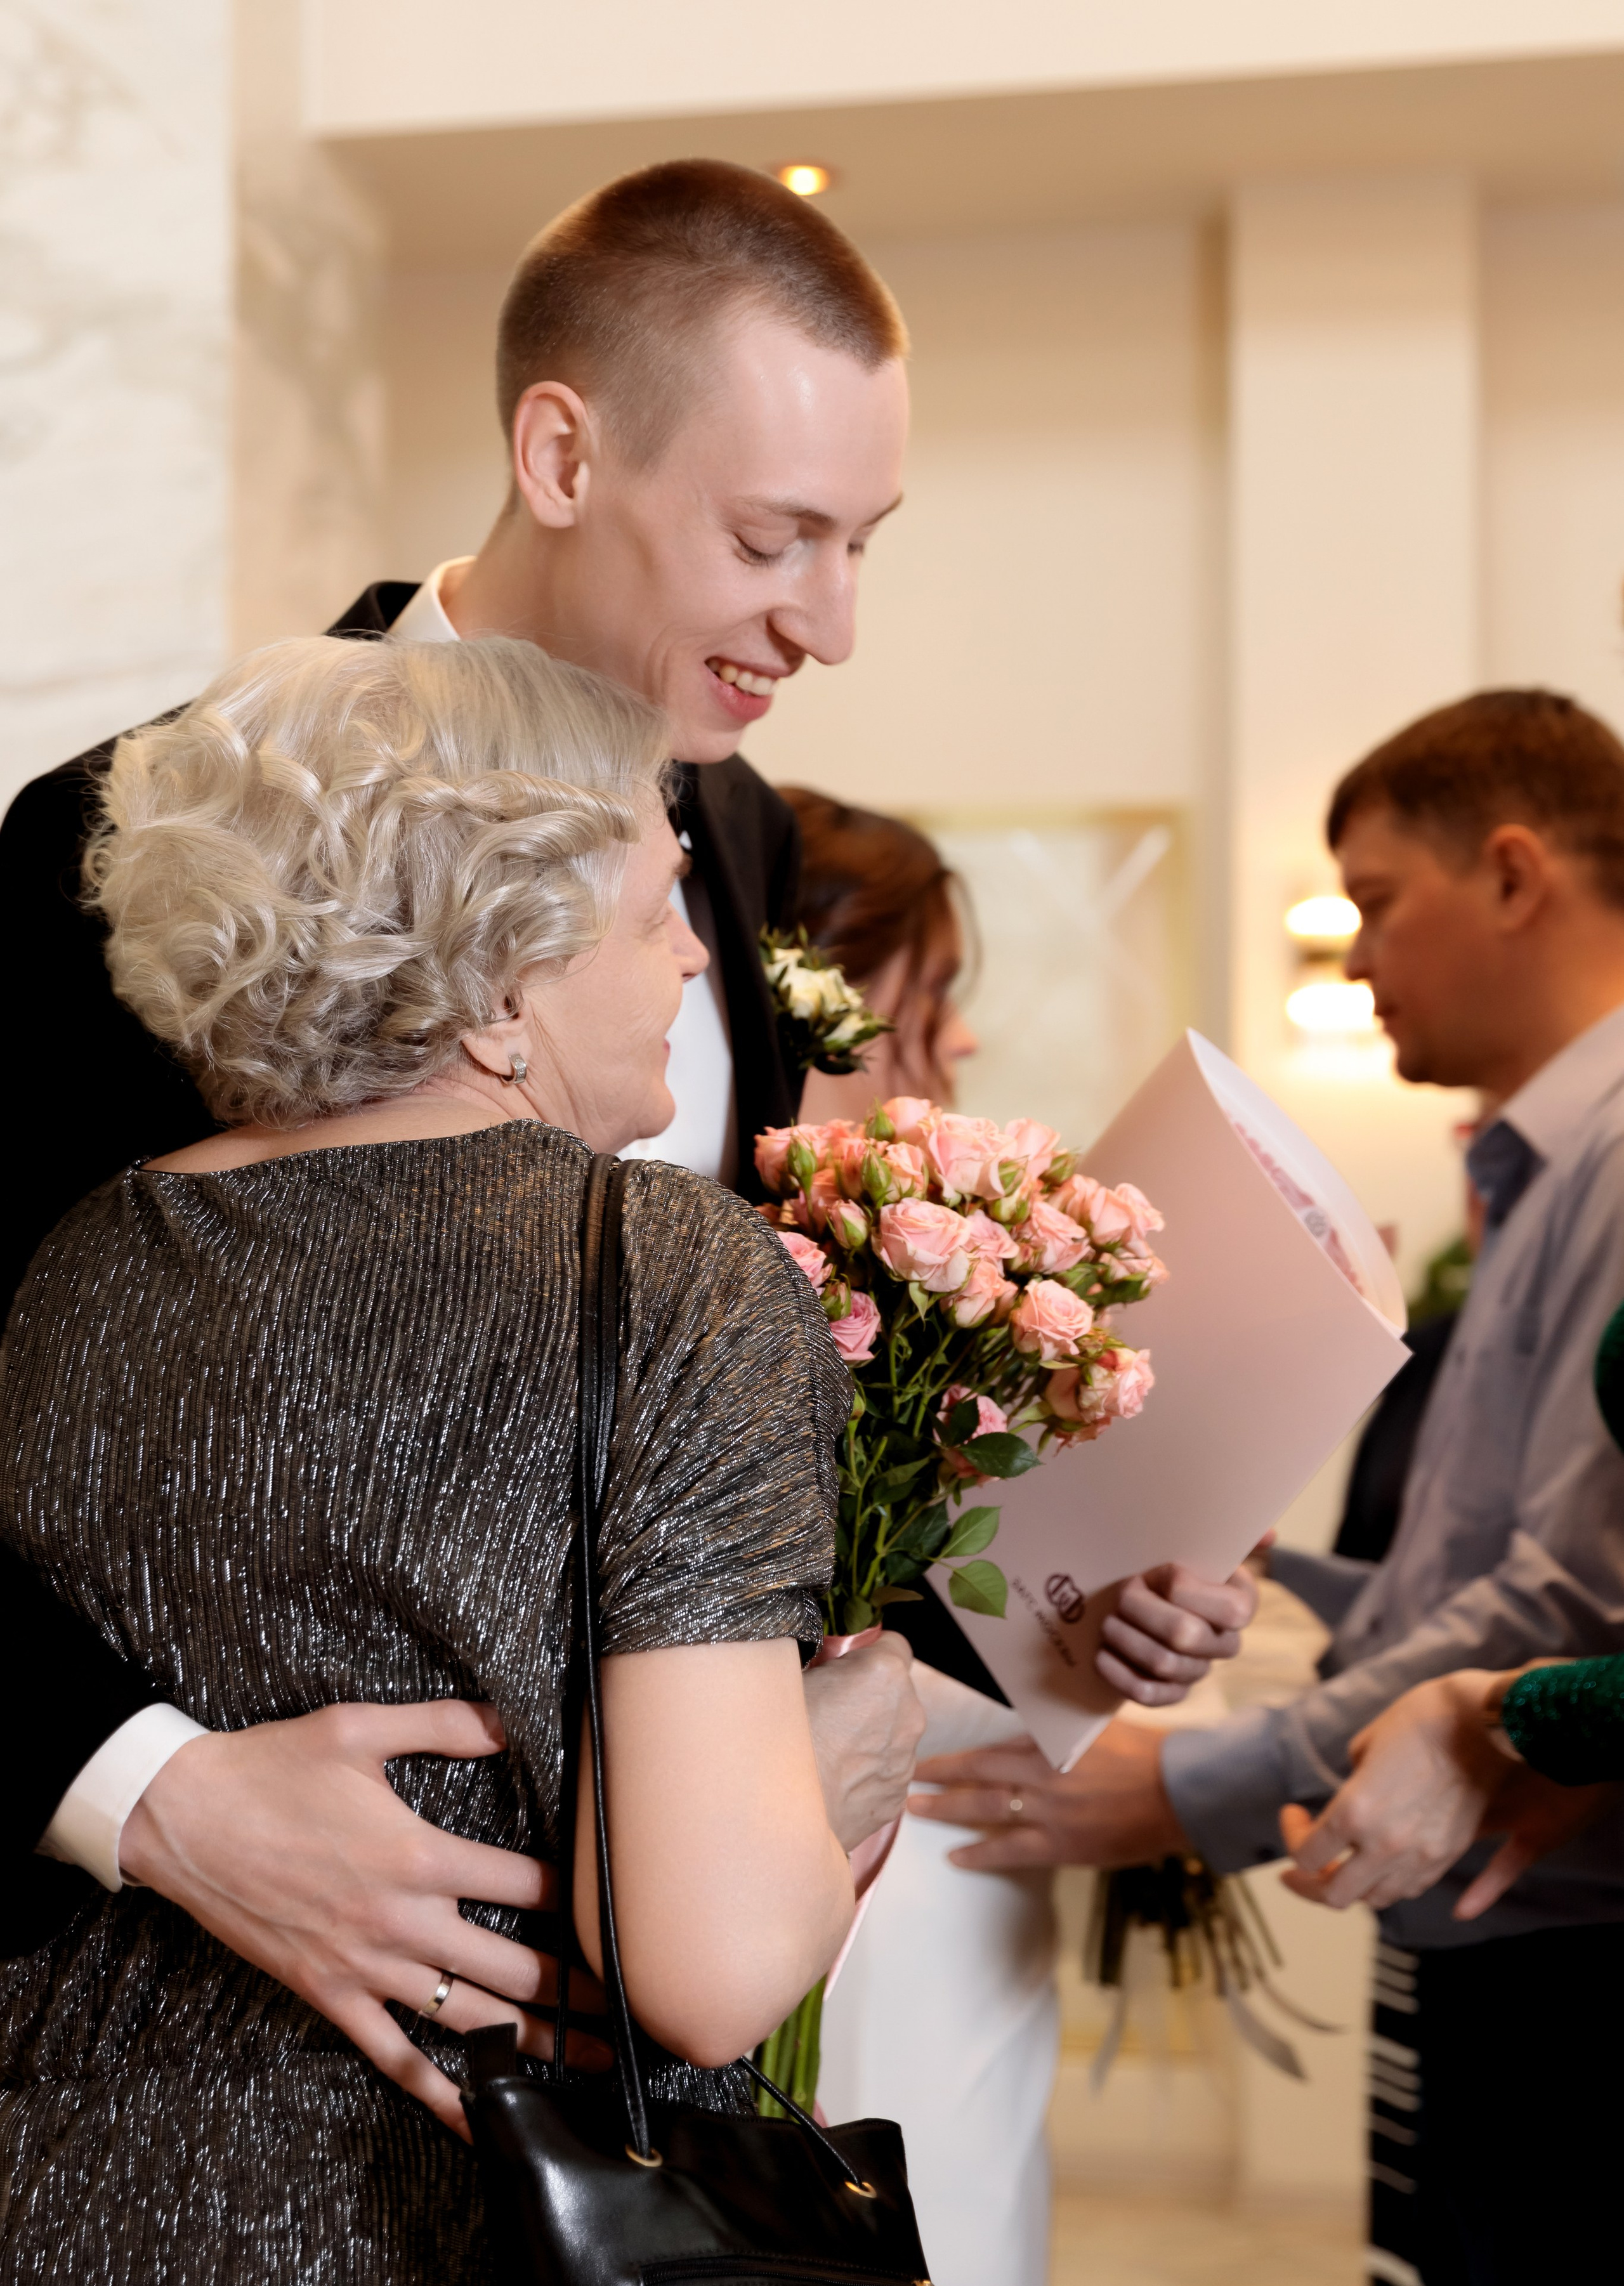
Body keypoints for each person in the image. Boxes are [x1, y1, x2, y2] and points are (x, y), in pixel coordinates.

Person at [3, 155, 1248, 2105]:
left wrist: (1075, 1591)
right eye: (776, 537)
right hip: (222, 2046)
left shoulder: (740, 837)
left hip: (651, 2086)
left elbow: (701, 1455)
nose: (827, 625)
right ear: (562, 454)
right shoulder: (127, 843)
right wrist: (155, 1799)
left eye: (865, 545)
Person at [0, 632, 891, 2286]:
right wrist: (848, 1752)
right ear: (497, 978)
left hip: (65, 2253)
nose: (701, 956)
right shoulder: (663, 1267)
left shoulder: (70, 1272)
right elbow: (711, 1972)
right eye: (655, 908)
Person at [912, 688, 1624, 2286]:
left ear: (1515, 873)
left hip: (1569, 1943)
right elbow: (1470, 1555)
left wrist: (1203, 1781)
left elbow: (1571, 1603)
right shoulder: (1543, 1156)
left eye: (1377, 898)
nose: (1360, 951)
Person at [782, 787, 1254, 2286]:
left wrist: (1143, 1609)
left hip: (962, 1878)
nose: (957, 1040)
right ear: (806, 1001)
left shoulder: (950, 1270)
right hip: (821, 1902)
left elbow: (964, 1593)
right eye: (920, 998)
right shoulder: (710, 1265)